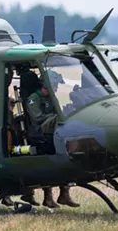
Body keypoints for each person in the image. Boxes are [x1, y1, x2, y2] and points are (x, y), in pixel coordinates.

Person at [26, 70, 80, 209]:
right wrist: (56, 118)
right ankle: (48, 197)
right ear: (46, 85)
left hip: (52, 131)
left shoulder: (52, 98)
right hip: (39, 132)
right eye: (54, 85)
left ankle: (64, 194)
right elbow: (37, 118)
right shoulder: (33, 99)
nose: (56, 88)